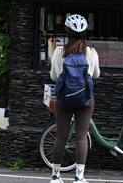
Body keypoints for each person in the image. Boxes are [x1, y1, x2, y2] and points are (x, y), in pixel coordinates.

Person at [48, 14, 100, 183]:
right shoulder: (91, 53)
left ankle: (56, 176)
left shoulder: (58, 52)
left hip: (64, 99)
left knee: (61, 137)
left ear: (67, 32)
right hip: (85, 100)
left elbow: (54, 77)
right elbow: (96, 75)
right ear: (85, 34)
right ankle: (79, 177)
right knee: (81, 137)